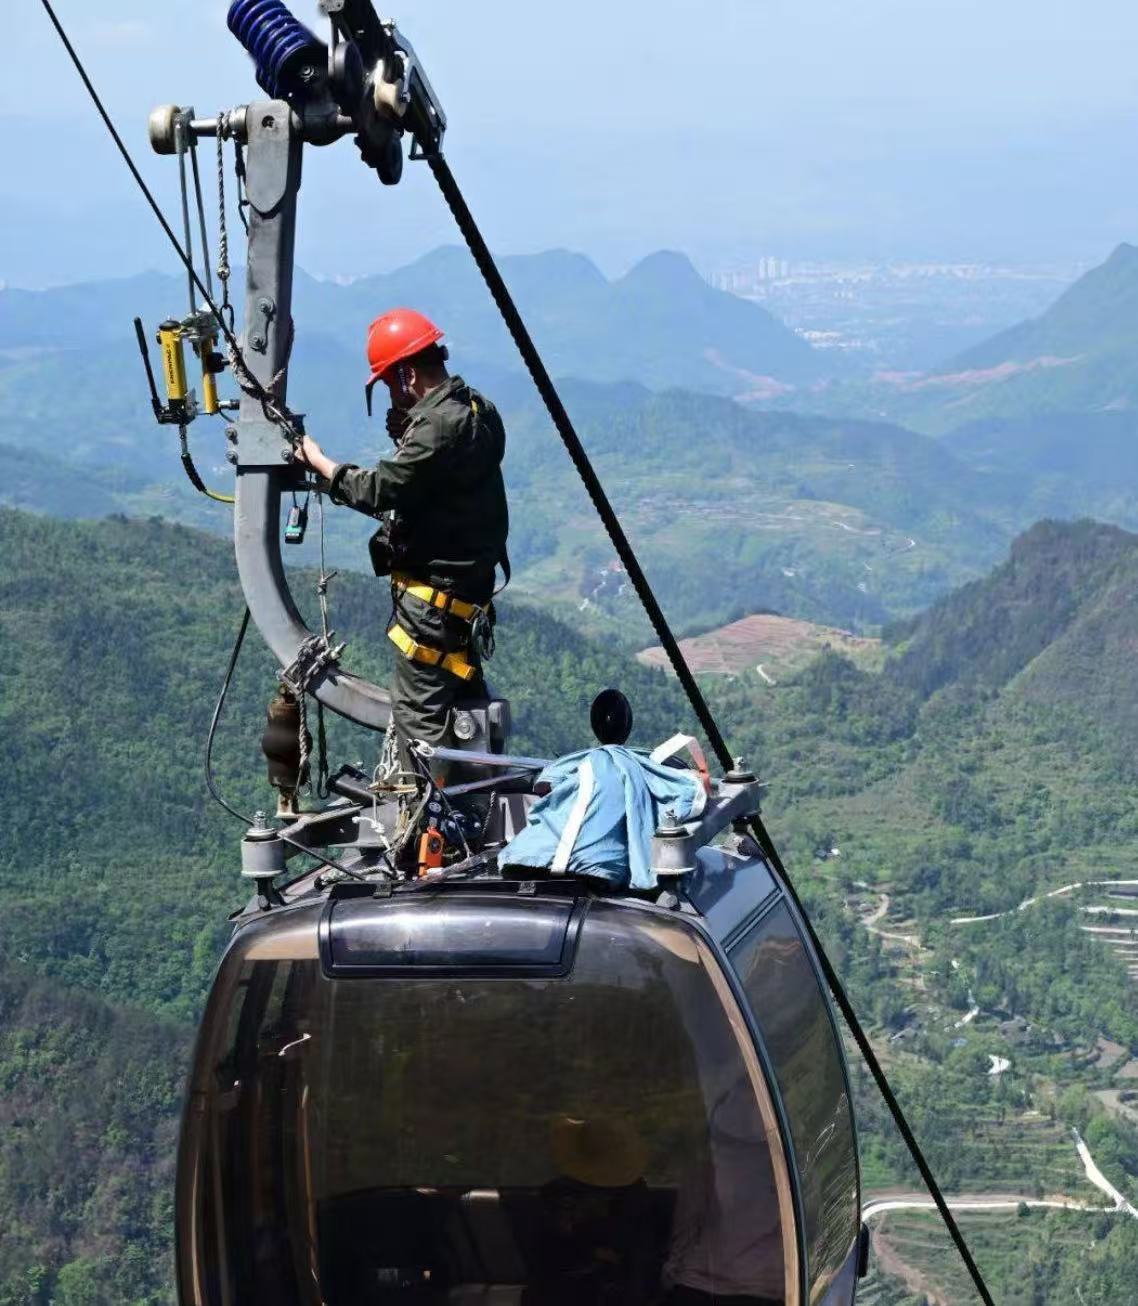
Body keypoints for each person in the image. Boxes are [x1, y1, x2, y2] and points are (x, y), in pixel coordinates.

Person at [297, 308, 509, 787]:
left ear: (407, 374)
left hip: (432, 610)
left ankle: (431, 823)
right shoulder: (480, 411)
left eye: (392, 385)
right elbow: (446, 486)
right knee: (466, 717)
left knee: (421, 725)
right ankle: (472, 807)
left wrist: (320, 463)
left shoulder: (436, 429)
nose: (393, 397)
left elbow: (379, 490)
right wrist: (412, 439)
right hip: (467, 603)